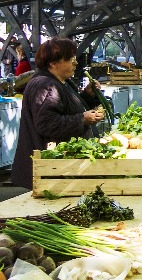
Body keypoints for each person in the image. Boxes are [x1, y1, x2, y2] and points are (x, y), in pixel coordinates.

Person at [11, 38, 105, 190]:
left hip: (57, 169)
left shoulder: (61, 81)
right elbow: (47, 124)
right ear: (53, 63)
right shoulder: (45, 85)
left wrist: (88, 95)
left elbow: (68, 107)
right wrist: (82, 119)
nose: (75, 63)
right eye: (70, 59)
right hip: (49, 169)